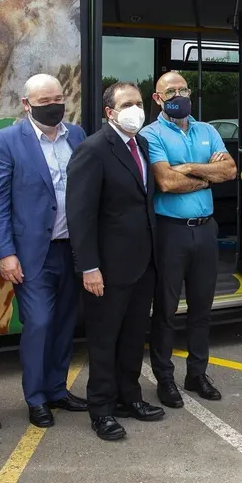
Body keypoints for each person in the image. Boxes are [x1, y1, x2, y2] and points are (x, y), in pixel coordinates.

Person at [0, 73, 87, 428]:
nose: (54, 106)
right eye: (44, 102)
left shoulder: (77, 135)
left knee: (64, 323)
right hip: (31, 254)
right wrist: (5, 253)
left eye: (58, 98)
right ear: (26, 104)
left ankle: (58, 389)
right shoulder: (5, 141)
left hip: (72, 249)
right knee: (39, 323)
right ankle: (36, 397)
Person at [67, 82, 165, 440]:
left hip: (142, 264)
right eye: (127, 104)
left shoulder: (140, 143)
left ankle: (130, 397)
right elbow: (80, 215)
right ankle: (102, 409)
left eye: (139, 103)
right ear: (110, 112)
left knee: (132, 337)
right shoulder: (93, 150)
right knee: (104, 341)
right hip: (107, 268)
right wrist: (88, 267)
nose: (136, 109)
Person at [140, 72, 236, 408]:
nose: (178, 94)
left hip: (205, 229)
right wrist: (207, 176)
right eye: (170, 91)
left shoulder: (207, 130)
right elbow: (165, 182)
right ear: (157, 99)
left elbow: (229, 171)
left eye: (182, 89)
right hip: (170, 231)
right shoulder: (150, 134)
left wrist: (189, 168)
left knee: (201, 309)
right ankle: (164, 378)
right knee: (165, 310)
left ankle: (197, 374)